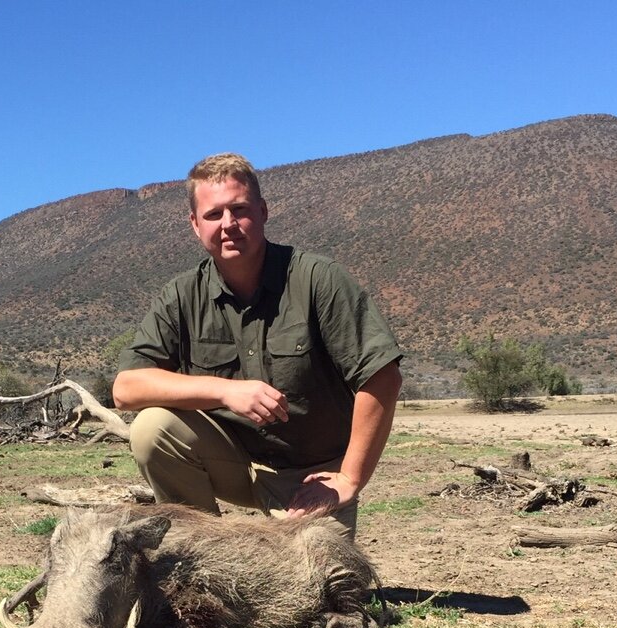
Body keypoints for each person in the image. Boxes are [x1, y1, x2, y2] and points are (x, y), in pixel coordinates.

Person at [112, 153, 403, 537]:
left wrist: (348, 478)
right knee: (152, 428)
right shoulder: (181, 295)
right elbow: (126, 389)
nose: (228, 224)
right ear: (195, 225)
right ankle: (202, 552)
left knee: (316, 588)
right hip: (230, 463)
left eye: (240, 209)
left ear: (263, 212)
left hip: (309, 477)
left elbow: (382, 377)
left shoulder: (318, 279)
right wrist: (225, 391)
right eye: (214, 214)